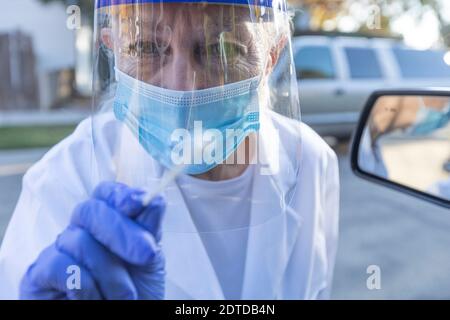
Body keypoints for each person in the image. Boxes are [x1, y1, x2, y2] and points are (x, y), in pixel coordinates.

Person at [0, 0, 339, 300]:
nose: (182, 87)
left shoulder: (310, 160)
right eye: (146, 47)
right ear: (114, 50)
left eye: (225, 49)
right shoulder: (63, 179)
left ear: (270, 58)